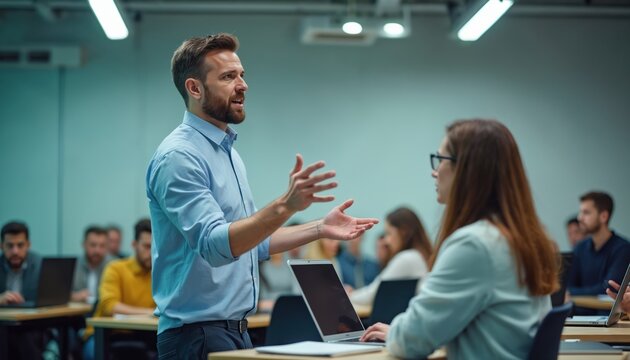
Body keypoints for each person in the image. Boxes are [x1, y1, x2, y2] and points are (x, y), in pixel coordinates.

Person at [146, 33, 378, 357]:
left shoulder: (228, 153)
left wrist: (318, 228)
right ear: (194, 88)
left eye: (242, 75)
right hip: (196, 336)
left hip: (236, 329)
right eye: (228, 77)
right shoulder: (180, 157)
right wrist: (286, 205)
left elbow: (250, 244)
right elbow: (217, 246)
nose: (243, 85)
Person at [361, 119, 559, 360]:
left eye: (440, 159)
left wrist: (399, 332)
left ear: (467, 170)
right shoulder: (522, 238)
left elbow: (410, 342)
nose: (434, 171)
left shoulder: (475, 245)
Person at [82, 219, 156, 360]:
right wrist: (150, 312)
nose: (151, 252)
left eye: (155, 246)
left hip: (143, 334)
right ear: (134, 245)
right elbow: (110, 306)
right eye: (146, 246)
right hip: (106, 334)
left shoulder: (160, 273)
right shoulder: (115, 268)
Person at [349, 207, 432, 306]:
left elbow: (373, 294)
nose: (386, 241)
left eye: (389, 233)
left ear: (403, 231)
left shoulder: (407, 258)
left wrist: (348, 295)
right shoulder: (418, 256)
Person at [567, 192, 630, 302]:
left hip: (606, 316)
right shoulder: (579, 248)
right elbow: (568, 286)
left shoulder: (623, 249)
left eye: (586, 213)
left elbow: (608, 289)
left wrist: (572, 293)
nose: (580, 218)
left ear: (603, 216)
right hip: (578, 316)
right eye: (580, 212)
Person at [0, 221, 45, 359]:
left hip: (33, 325)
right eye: (10, 246)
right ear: (1, 246)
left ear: (28, 245)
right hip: (3, 324)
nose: (15, 251)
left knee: (22, 335)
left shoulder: (40, 264)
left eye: (20, 245)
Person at [71, 226, 112, 304]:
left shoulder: (114, 265)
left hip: (104, 313)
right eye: (93, 245)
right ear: (84, 245)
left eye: (102, 246)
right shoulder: (72, 266)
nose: (97, 250)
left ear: (107, 247)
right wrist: (74, 296)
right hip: (76, 313)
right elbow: (57, 294)